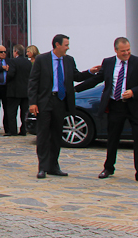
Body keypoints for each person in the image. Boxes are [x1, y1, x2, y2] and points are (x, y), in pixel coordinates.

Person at [74, 37, 138, 182]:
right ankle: (108, 167)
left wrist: (133, 91)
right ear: (116, 50)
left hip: (134, 105)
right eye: (123, 51)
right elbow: (97, 80)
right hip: (116, 105)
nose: (126, 53)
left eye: (128, 50)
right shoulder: (109, 62)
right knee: (112, 138)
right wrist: (75, 89)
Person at [28, 34, 92, 179]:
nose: (68, 48)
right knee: (43, 135)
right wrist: (32, 103)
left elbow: (76, 76)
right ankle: (42, 167)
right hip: (45, 101)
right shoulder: (42, 60)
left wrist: (90, 72)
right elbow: (33, 82)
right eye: (66, 45)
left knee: (57, 135)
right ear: (57, 45)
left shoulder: (69, 60)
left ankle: (53, 166)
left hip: (60, 101)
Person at [6, 44, 32, 136]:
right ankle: (24, 130)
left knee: (12, 112)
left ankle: (13, 131)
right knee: (24, 112)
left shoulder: (13, 61)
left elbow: (11, 74)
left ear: (16, 52)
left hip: (14, 91)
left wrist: (7, 74)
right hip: (25, 91)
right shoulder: (28, 62)